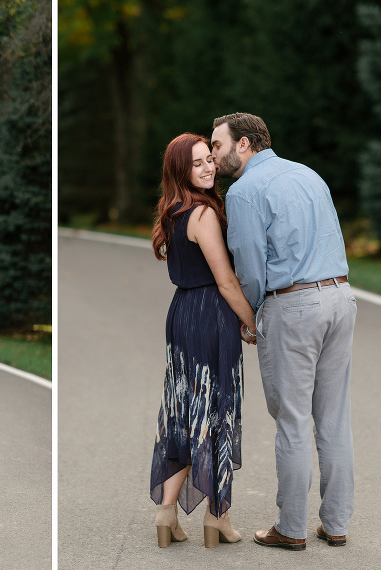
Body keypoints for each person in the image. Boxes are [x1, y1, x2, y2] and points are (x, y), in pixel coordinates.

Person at [211, 113, 356, 551]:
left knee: (292, 420)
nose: (213, 155)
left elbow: (250, 269)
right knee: (333, 417)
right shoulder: (308, 174)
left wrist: (252, 317)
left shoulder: (244, 191)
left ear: (244, 144)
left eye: (218, 145)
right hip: (341, 297)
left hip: (293, 306)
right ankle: (335, 524)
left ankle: (291, 528)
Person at [150, 133, 257, 549]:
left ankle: (166, 512)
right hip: (210, 315)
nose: (209, 167)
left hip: (181, 314)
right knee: (216, 411)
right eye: (197, 164)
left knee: (184, 412)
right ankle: (218, 518)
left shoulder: (173, 212)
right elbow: (226, 281)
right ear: (181, 171)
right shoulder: (204, 215)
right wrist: (251, 324)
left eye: (209, 158)